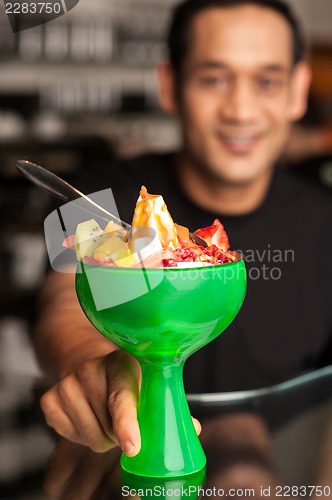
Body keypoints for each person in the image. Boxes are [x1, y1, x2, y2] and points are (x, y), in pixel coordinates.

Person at [33, 0, 332, 459]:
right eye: (214, 79)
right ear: (170, 86)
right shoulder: (92, 194)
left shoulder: (324, 217)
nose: (241, 109)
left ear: (297, 90)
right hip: (123, 465)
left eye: (267, 81)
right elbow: (64, 304)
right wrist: (90, 367)